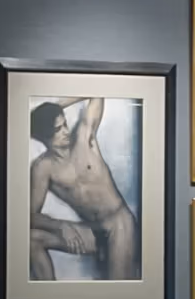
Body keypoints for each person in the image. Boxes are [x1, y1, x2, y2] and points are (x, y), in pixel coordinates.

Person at [28, 97, 139, 281]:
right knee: (31, 240)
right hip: (92, 231)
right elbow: (29, 216)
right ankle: (47, 298)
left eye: (64, 124)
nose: (65, 131)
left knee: (118, 297)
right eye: (57, 129)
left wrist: (54, 108)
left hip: (119, 224)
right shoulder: (43, 168)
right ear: (44, 135)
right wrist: (61, 226)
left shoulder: (83, 136)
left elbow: (97, 92)